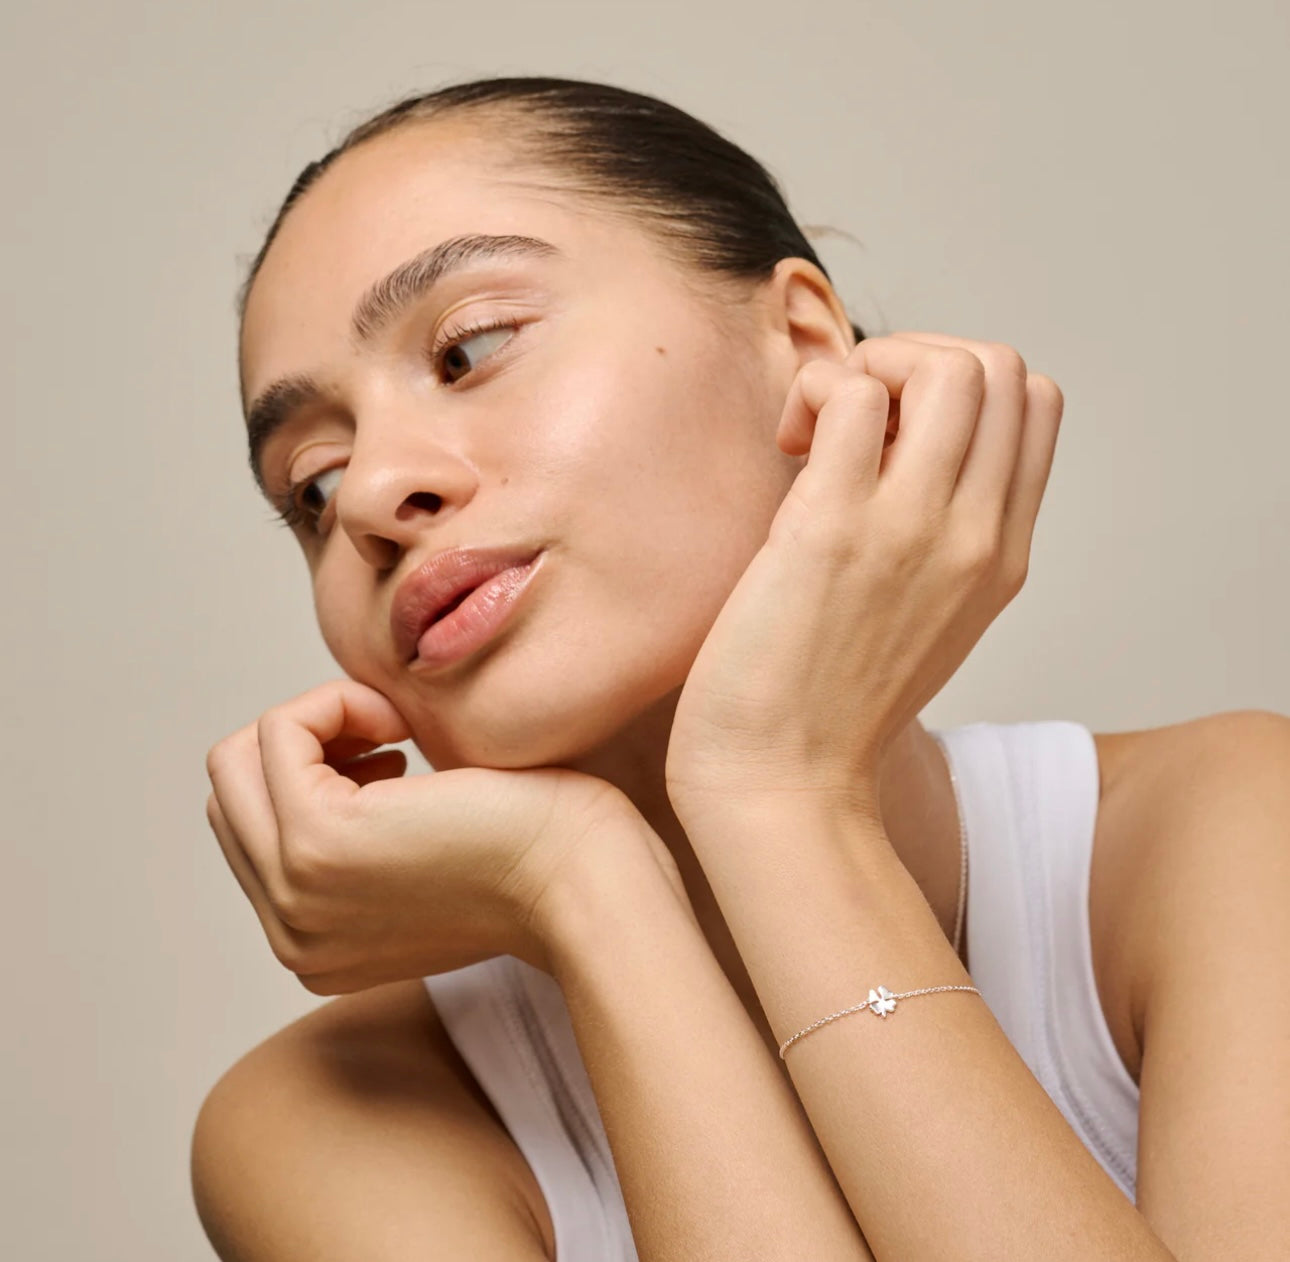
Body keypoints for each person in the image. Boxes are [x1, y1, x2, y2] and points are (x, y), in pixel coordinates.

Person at [192, 77, 1290, 1261]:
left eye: (470, 350)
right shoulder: (329, 1115)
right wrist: (583, 888)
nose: (365, 497)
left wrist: (776, 793)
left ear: (804, 344)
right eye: (310, 481)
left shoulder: (1227, 829)